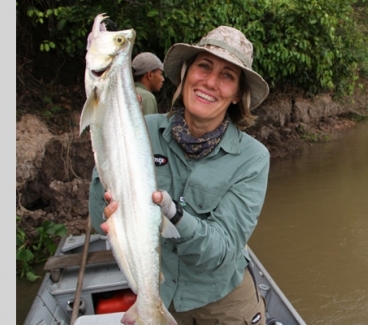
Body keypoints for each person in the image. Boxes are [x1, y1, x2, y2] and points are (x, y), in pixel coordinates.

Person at [89, 26, 270, 325]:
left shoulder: (253, 158)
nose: (210, 82)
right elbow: (100, 222)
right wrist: (108, 143)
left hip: (223, 299)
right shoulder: (141, 131)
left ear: (238, 94)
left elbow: (222, 250)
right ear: (186, 74)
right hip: (157, 292)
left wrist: (174, 216)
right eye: (204, 66)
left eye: (227, 75)